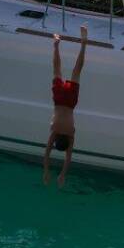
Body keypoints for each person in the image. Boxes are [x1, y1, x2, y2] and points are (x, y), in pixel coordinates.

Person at [43, 25, 87, 187]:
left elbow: (68, 158)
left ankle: (83, 44)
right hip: (59, 100)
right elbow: (46, 154)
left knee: (77, 71)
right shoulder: (54, 132)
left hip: (70, 103)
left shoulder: (70, 135)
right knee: (57, 70)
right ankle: (56, 44)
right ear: (56, 141)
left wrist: (63, 174)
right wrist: (46, 171)